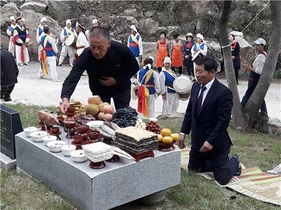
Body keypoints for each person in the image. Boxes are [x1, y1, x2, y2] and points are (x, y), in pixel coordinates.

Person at [178, 56, 241, 185]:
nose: (197, 75)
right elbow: (190, 112)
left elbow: (223, 121)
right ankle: (215, 164)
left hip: (216, 144)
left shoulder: (224, 93)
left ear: (212, 72)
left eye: (201, 71)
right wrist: (183, 133)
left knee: (222, 180)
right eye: (196, 71)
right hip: (198, 143)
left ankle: (234, 161)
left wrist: (210, 141)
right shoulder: (195, 87)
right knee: (194, 170)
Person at [60, 26, 139, 112]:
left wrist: (116, 80)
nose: (96, 51)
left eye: (100, 47)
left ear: (109, 43)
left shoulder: (122, 50)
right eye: (92, 47)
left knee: (123, 114)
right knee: (102, 116)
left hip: (121, 88)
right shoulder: (86, 55)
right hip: (99, 90)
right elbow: (73, 77)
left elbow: (134, 68)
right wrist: (65, 98)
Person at [241, 38, 267, 114]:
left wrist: (249, 68)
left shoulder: (261, 56)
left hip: (255, 78)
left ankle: (241, 107)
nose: (256, 47)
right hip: (255, 78)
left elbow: (259, 71)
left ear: (263, 46)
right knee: (260, 96)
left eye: (258, 45)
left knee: (248, 94)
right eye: (256, 45)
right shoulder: (262, 54)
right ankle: (264, 112)